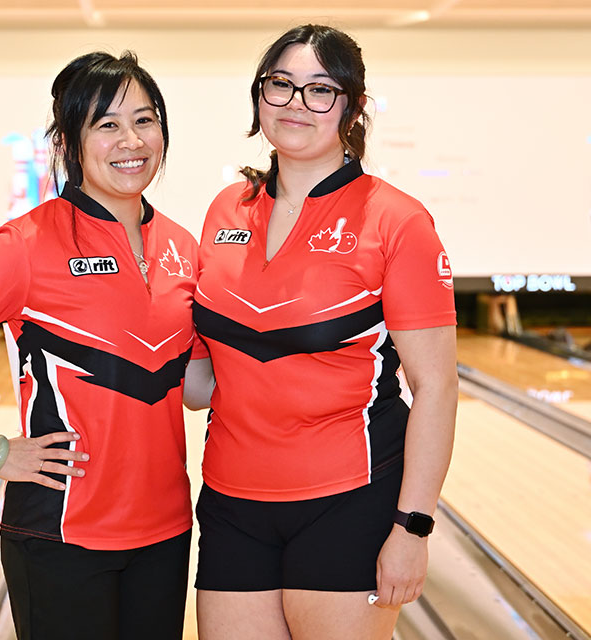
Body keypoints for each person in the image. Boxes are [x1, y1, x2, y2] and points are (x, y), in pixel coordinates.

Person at [0, 51, 207, 640]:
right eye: (106, 124)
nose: (131, 140)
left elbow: (195, 387)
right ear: (67, 143)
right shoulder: (27, 244)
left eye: (145, 120)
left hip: (164, 531)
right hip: (61, 532)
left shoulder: (183, 246)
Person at [189, 24, 458, 639]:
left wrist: (412, 528)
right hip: (232, 502)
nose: (295, 104)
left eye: (320, 90)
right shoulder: (227, 208)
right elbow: (203, 378)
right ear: (259, 96)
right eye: (280, 84)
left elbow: (437, 388)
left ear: (352, 107)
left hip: (350, 499)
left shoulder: (396, 221)